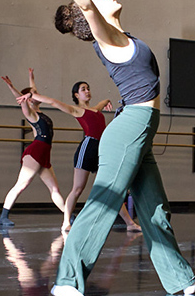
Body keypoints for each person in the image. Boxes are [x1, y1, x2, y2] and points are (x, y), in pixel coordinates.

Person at [37, 0, 195, 296]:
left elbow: (87, 7)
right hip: (130, 128)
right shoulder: (108, 39)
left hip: (138, 128)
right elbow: (84, 6)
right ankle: (67, 279)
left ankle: (178, 277)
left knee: (154, 207)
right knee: (105, 200)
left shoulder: (118, 37)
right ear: (92, 15)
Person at [25, 81, 141, 232]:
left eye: (88, 88)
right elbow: (53, 102)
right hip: (87, 150)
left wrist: (107, 101)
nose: (87, 91)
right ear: (76, 95)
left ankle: (130, 224)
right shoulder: (76, 110)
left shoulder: (95, 110)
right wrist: (32, 95)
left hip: (102, 151)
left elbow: (102, 102)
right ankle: (66, 222)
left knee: (111, 188)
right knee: (78, 189)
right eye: (83, 89)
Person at [0, 69, 66, 227]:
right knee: (21, 185)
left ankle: (69, 216)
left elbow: (33, 92)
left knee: (54, 189)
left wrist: (31, 77)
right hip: (36, 151)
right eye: (32, 95)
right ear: (28, 99)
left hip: (44, 153)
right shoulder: (31, 113)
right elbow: (22, 100)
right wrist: (12, 87)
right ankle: (3, 216)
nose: (36, 95)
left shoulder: (39, 111)